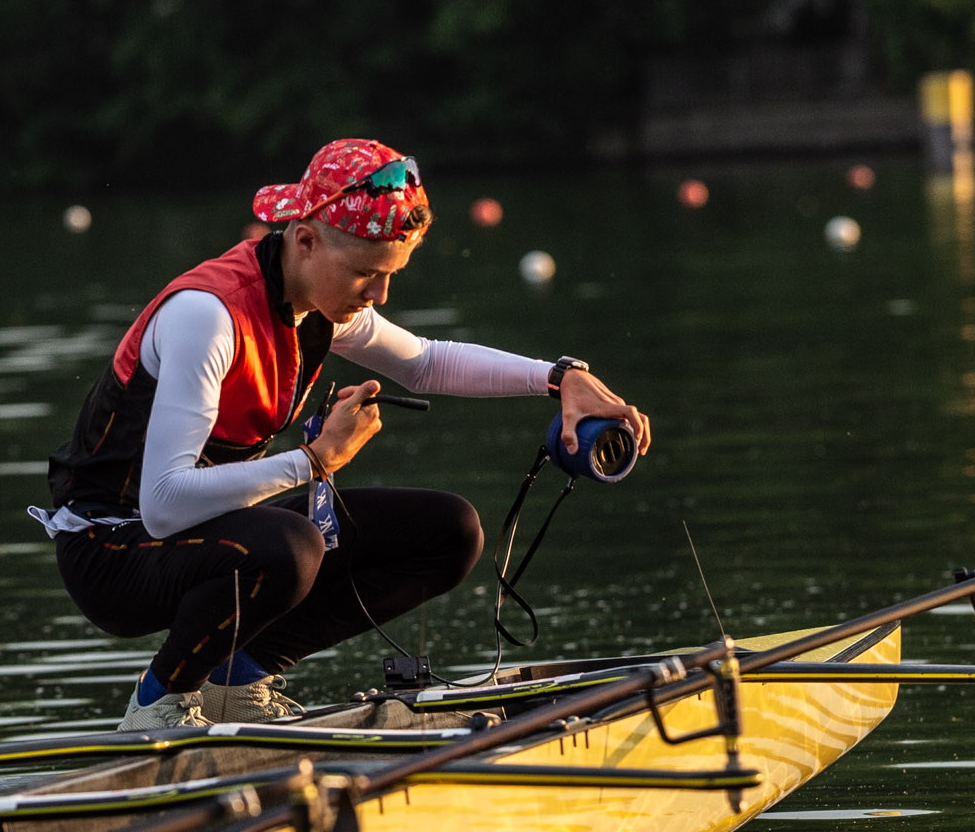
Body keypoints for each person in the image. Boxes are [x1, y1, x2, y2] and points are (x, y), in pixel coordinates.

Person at [33, 139, 652, 731]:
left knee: (450, 533)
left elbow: (426, 362)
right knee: (290, 546)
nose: (378, 296)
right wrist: (315, 460)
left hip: (200, 525)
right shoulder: (208, 316)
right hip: (111, 550)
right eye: (365, 275)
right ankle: (158, 701)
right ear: (305, 240)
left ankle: (235, 680)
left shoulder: (318, 300)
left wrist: (560, 378)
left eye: (390, 276)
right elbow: (164, 506)